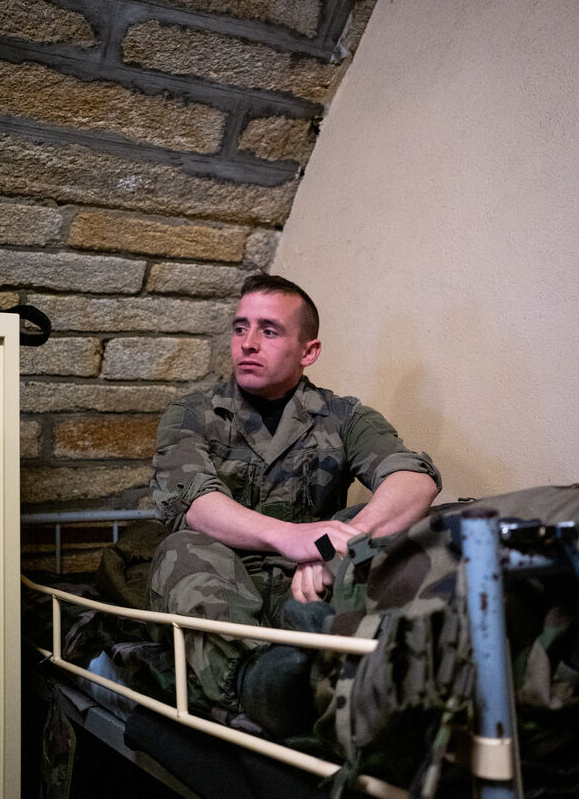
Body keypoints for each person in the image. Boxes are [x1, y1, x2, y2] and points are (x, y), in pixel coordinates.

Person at [148, 274, 441, 736]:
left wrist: (335, 548)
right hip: (222, 588)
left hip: (308, 591)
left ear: (309, 351)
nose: (247, 343)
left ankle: (336, 663)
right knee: (181, 547)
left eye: (269, 331)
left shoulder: (343, 417)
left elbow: (413, 480)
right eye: (240, 328)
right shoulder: (193, 413)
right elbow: (194, 501)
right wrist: (293, 537)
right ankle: (251, 683)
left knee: (380, 531)